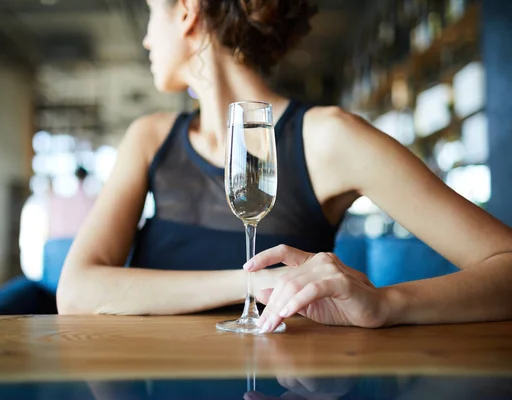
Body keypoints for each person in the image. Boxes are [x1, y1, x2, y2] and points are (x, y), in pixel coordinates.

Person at [57, 0, 512, 330]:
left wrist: (385, 303)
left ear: (185, 11)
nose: (145, 38)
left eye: (151, 13)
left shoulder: (330, 138)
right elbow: (76, 292)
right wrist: (254, 284)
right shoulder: (149, 139)